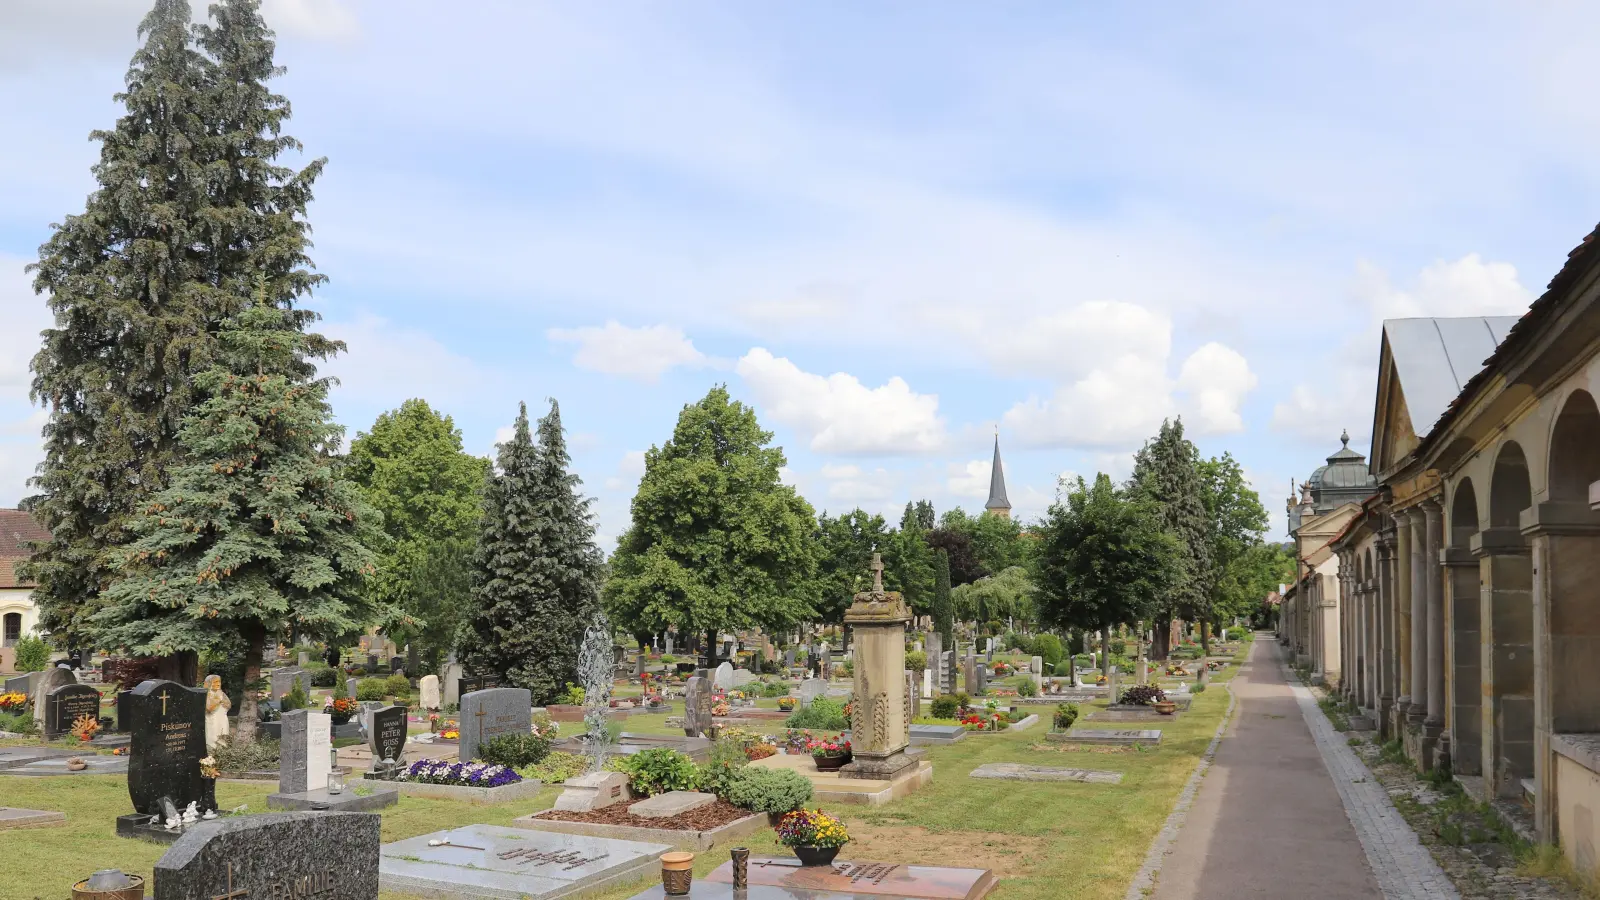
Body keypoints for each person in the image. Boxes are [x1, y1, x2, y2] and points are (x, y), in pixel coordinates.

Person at [204, 674, 231, 750]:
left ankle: (222, 755)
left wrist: (221, 699)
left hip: (222, 720)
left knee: (223, 739)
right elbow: (209, 708)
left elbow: (228, 705)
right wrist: (218, 699)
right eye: (215, 682)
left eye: (219, 682)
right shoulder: (207, 694)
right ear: (209, 683)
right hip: (212, 721)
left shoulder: (221, 693)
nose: (218, 684)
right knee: (213, 740)